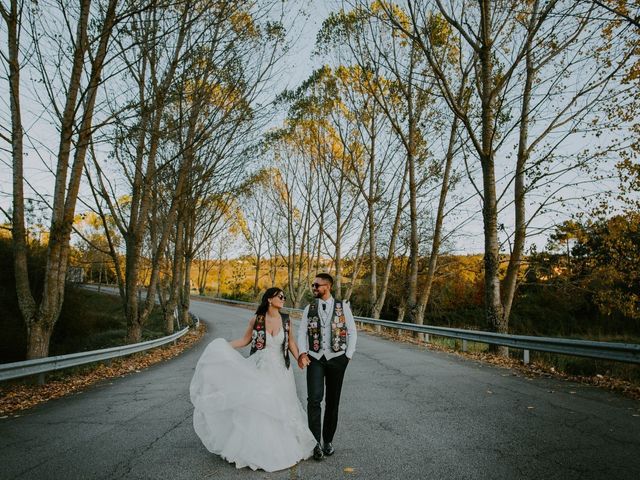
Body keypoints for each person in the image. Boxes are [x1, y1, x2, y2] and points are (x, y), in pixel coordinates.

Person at [189, 287, 316, 472]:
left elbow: (291, 343)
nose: (283, 299)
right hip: (261, 368)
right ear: (270, 299)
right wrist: (223, 346)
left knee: (283, 405)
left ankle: (285, 446)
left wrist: (300, 358)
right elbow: (244, 341)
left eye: (284, 297)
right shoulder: (257, 319)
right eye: (280, 296)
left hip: (282, 370)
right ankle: (258, 450)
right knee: (261, 406)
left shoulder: (286, 320)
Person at [297, 273, 357, 460]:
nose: (313, 288)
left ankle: (328, 440)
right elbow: (301, 332)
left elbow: (352, 331)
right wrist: (302, 352)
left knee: (332, 402)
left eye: (317, 285)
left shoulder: (343, 307)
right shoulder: (309, 308)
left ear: (327, 286)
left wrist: (347, 356)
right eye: (313, 285)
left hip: (337, 358)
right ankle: (315, 443)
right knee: (314, 400)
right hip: (315, 358)